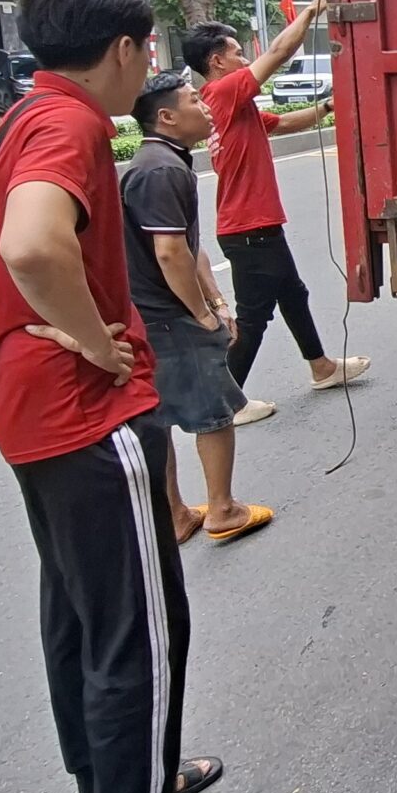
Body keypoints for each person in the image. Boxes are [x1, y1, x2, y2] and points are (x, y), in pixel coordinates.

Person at [0, 0, 256, 793]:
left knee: (77, 611)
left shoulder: (22, 118)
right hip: (84, 413)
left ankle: (108, 787)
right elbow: (31, 247)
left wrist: (38, 328)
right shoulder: (70, 126)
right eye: (149, 50)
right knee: (140, 624)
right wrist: (78, 332)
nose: (153, 67)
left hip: (28, 411)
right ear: (122, 49)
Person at [185, 1, 369, 419]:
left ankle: (321, 367)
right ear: (216, 61)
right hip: (249, 229)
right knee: (253, 318)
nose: (245, 58)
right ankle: (225, 404)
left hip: (257, 226)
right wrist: (310, 12)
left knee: (294, 296)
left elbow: (285, 124)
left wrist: (327, 106)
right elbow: (280, 53)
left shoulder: (236, 107)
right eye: (237, 52)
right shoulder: (222, 92)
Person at [122, 70, 272, 547]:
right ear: (166, 117)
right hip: (167, 314)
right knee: (214, 411)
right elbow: (169, 253)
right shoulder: (162, 169)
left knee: (163, 414)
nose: (205, 107)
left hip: (155, 311)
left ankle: (176, 513)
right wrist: (202, 315)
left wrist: (217, 299)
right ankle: (223, 509)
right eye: (193, 101)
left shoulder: (163, 161)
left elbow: (191, 246)